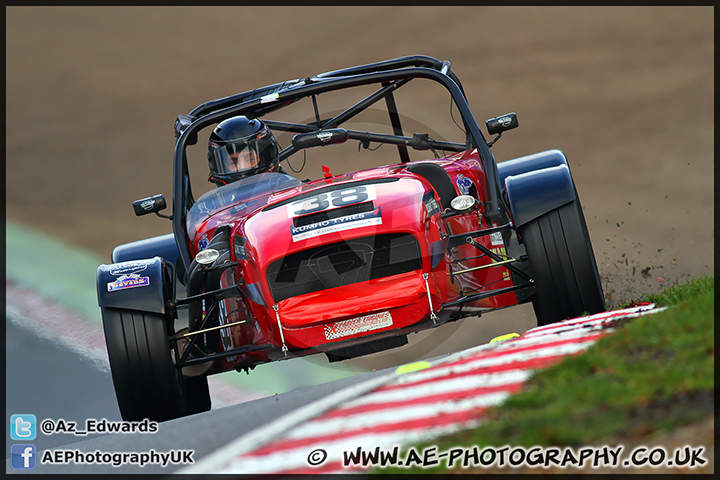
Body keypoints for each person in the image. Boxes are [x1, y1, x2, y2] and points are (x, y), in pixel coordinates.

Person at [207, 116, 281, 186]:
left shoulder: (288, 191)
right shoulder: (213, 199)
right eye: (233, 162)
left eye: (250, 159)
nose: (242, 167)